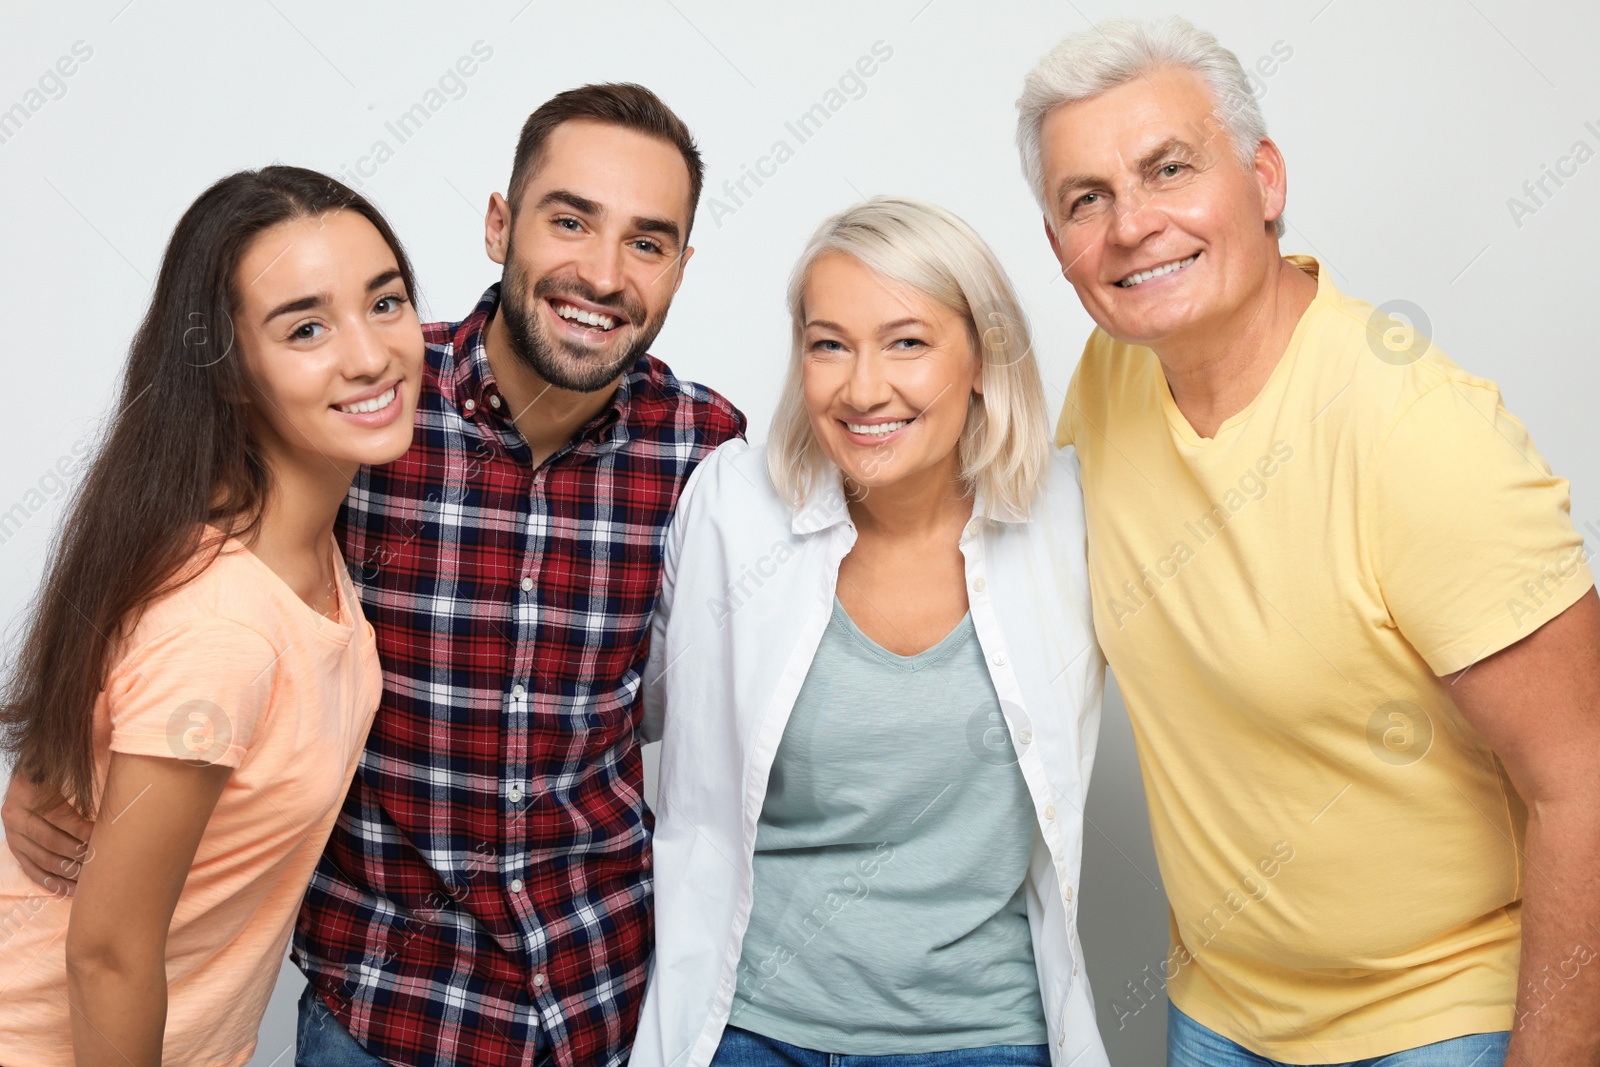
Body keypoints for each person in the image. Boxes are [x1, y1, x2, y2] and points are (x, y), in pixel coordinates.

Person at [2, 82, 744, 1067]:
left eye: (647, 242)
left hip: (598, 1001)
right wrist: (60, 753)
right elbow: (162, 542)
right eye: (570, 220)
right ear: (499, 224)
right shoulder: (367, 408)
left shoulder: (709, 452)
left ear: (682, 267)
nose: (603, 273)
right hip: (386, 1011)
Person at [1015, 16, 1600, 1067]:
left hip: (1437, 1019)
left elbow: (1584, 775)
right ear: (1058, 246)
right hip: (1215, 1013)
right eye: (1084, 200)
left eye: (1167, 169)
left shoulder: (1418, 435)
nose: (1131, 225)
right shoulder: (1108, 383)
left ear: (1265, 178)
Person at [629, 198, 1108, 1067]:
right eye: (829, 343)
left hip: (983, 1038)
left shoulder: (1072, 516)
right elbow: (628, 707)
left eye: (908, 342)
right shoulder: (733, 505)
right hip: (751, 1029)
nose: (861, 388)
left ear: (983, 357)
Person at [0, 165, 424, 1066]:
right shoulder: (224, 626)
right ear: (229, 372)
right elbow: (109, 954)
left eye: (384, 303)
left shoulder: (286, 543)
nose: (369, 354)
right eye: (307, 327)